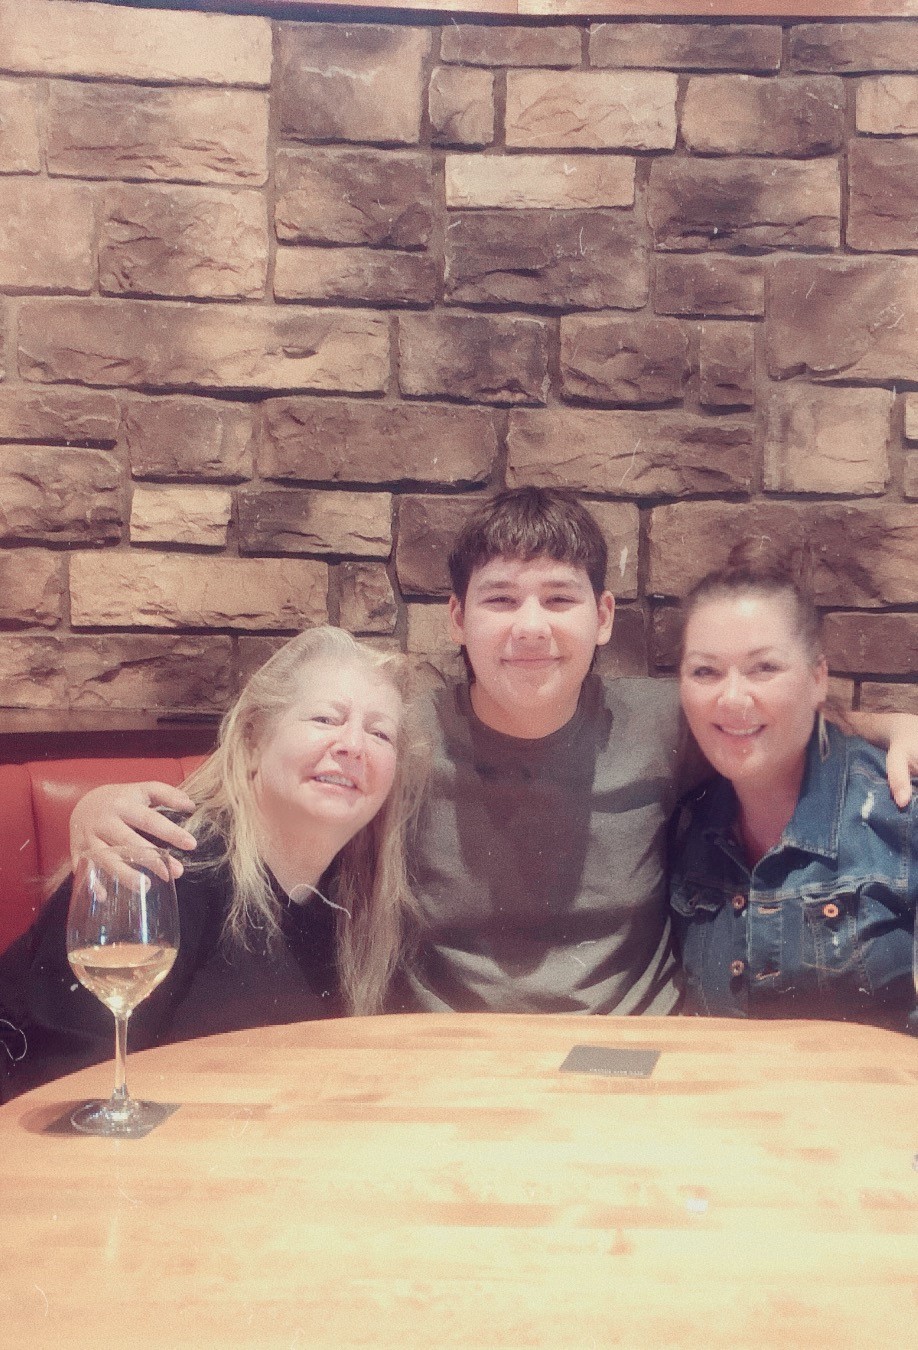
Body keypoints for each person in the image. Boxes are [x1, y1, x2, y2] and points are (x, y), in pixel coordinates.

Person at [67, 489, 918, 1018]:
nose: (532, 627)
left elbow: (769, 712)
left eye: (559, 598)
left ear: (605, 617)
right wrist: (95, 809)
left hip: (635, 1071)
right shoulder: (398, 729)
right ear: (456, 619)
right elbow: (255, 781)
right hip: (440, 1069)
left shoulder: (669, 719)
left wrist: (885, 723)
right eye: (501, 599)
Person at [0, 626, 426, 1094]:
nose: (354, 745)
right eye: (325, 719)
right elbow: (71, 1092)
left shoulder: (361, 898)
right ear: (252, 743)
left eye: (380, 733)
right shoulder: (165, 862)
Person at [670, 543, 916, 1025]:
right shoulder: (685, 825)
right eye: (705, 671)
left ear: (817, 678)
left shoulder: (897, 814)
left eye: (765, 667)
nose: (733, 697)